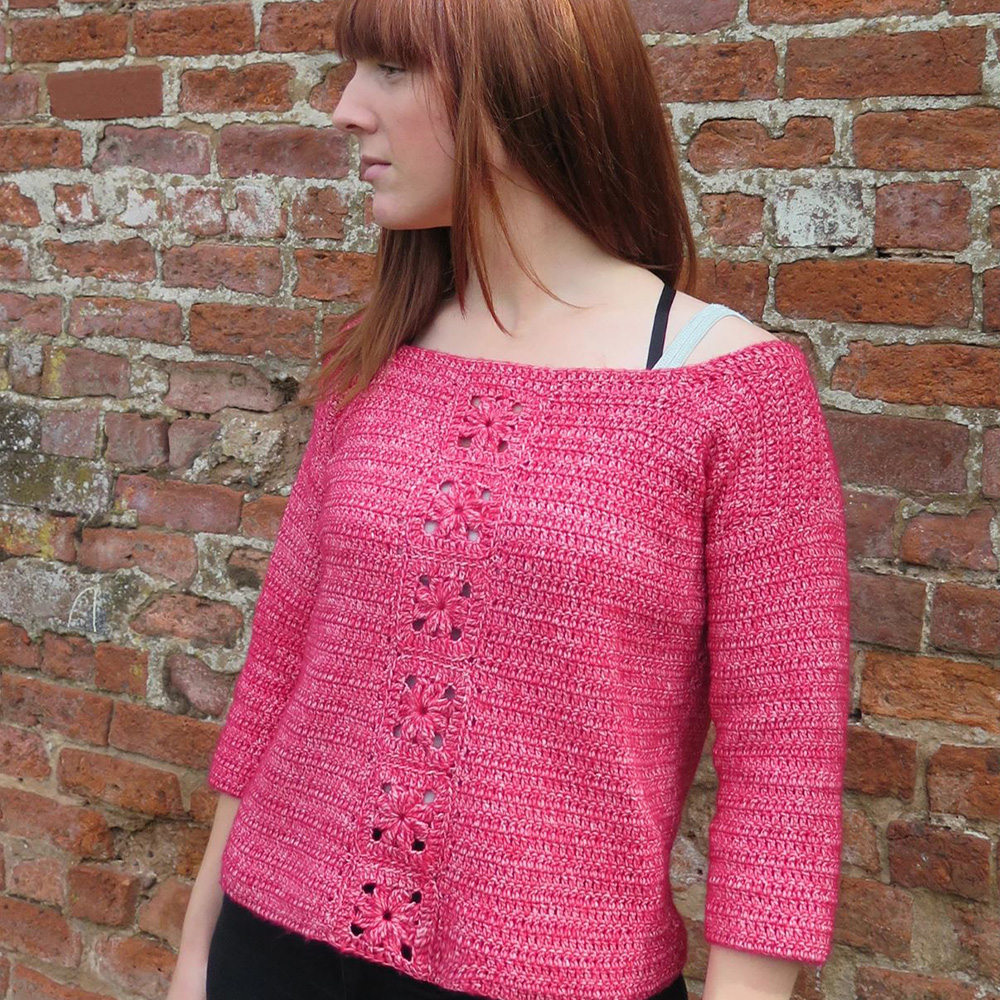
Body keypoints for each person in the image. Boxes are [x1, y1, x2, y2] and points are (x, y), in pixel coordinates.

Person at [166, 1, 852, 998]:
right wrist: (195, 954)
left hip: (564, 973)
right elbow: (278, 669)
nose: (345, 108)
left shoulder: (732, 395)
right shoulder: (377, 357)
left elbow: (780, 778)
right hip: (271, 943)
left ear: (518, 84)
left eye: (390, 68)